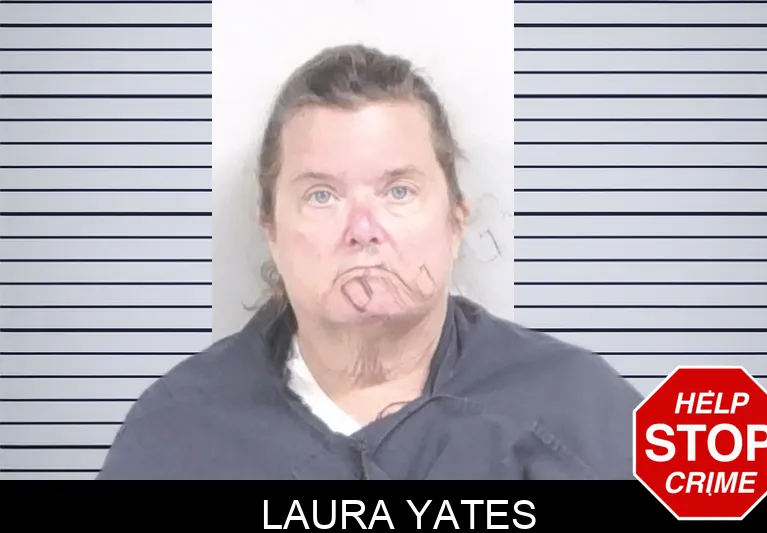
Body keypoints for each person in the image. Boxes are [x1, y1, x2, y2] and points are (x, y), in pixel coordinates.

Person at [96, 44, 643, 480]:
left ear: (456, 220)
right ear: (271, 230)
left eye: (398, 191)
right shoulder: (174, 435)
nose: (362, 230)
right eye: (322, 196)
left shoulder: (585, 414)